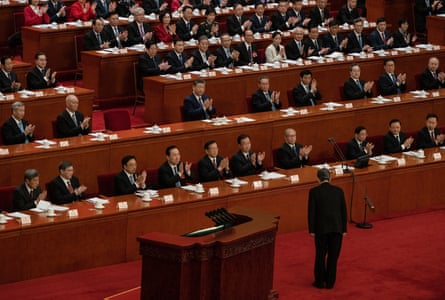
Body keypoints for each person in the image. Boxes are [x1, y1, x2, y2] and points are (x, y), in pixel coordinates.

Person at [308, 168, 347, 289]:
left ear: (317, 179)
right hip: (336, 228)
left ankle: (319, 282)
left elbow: (311, 212)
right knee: (333, 256)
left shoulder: (314, 192)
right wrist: (344, 229)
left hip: (321, 229)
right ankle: (330, 282)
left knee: (320, 255)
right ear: (330, 178)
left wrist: (312, 230)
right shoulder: (339, 191)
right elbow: (343, 211)